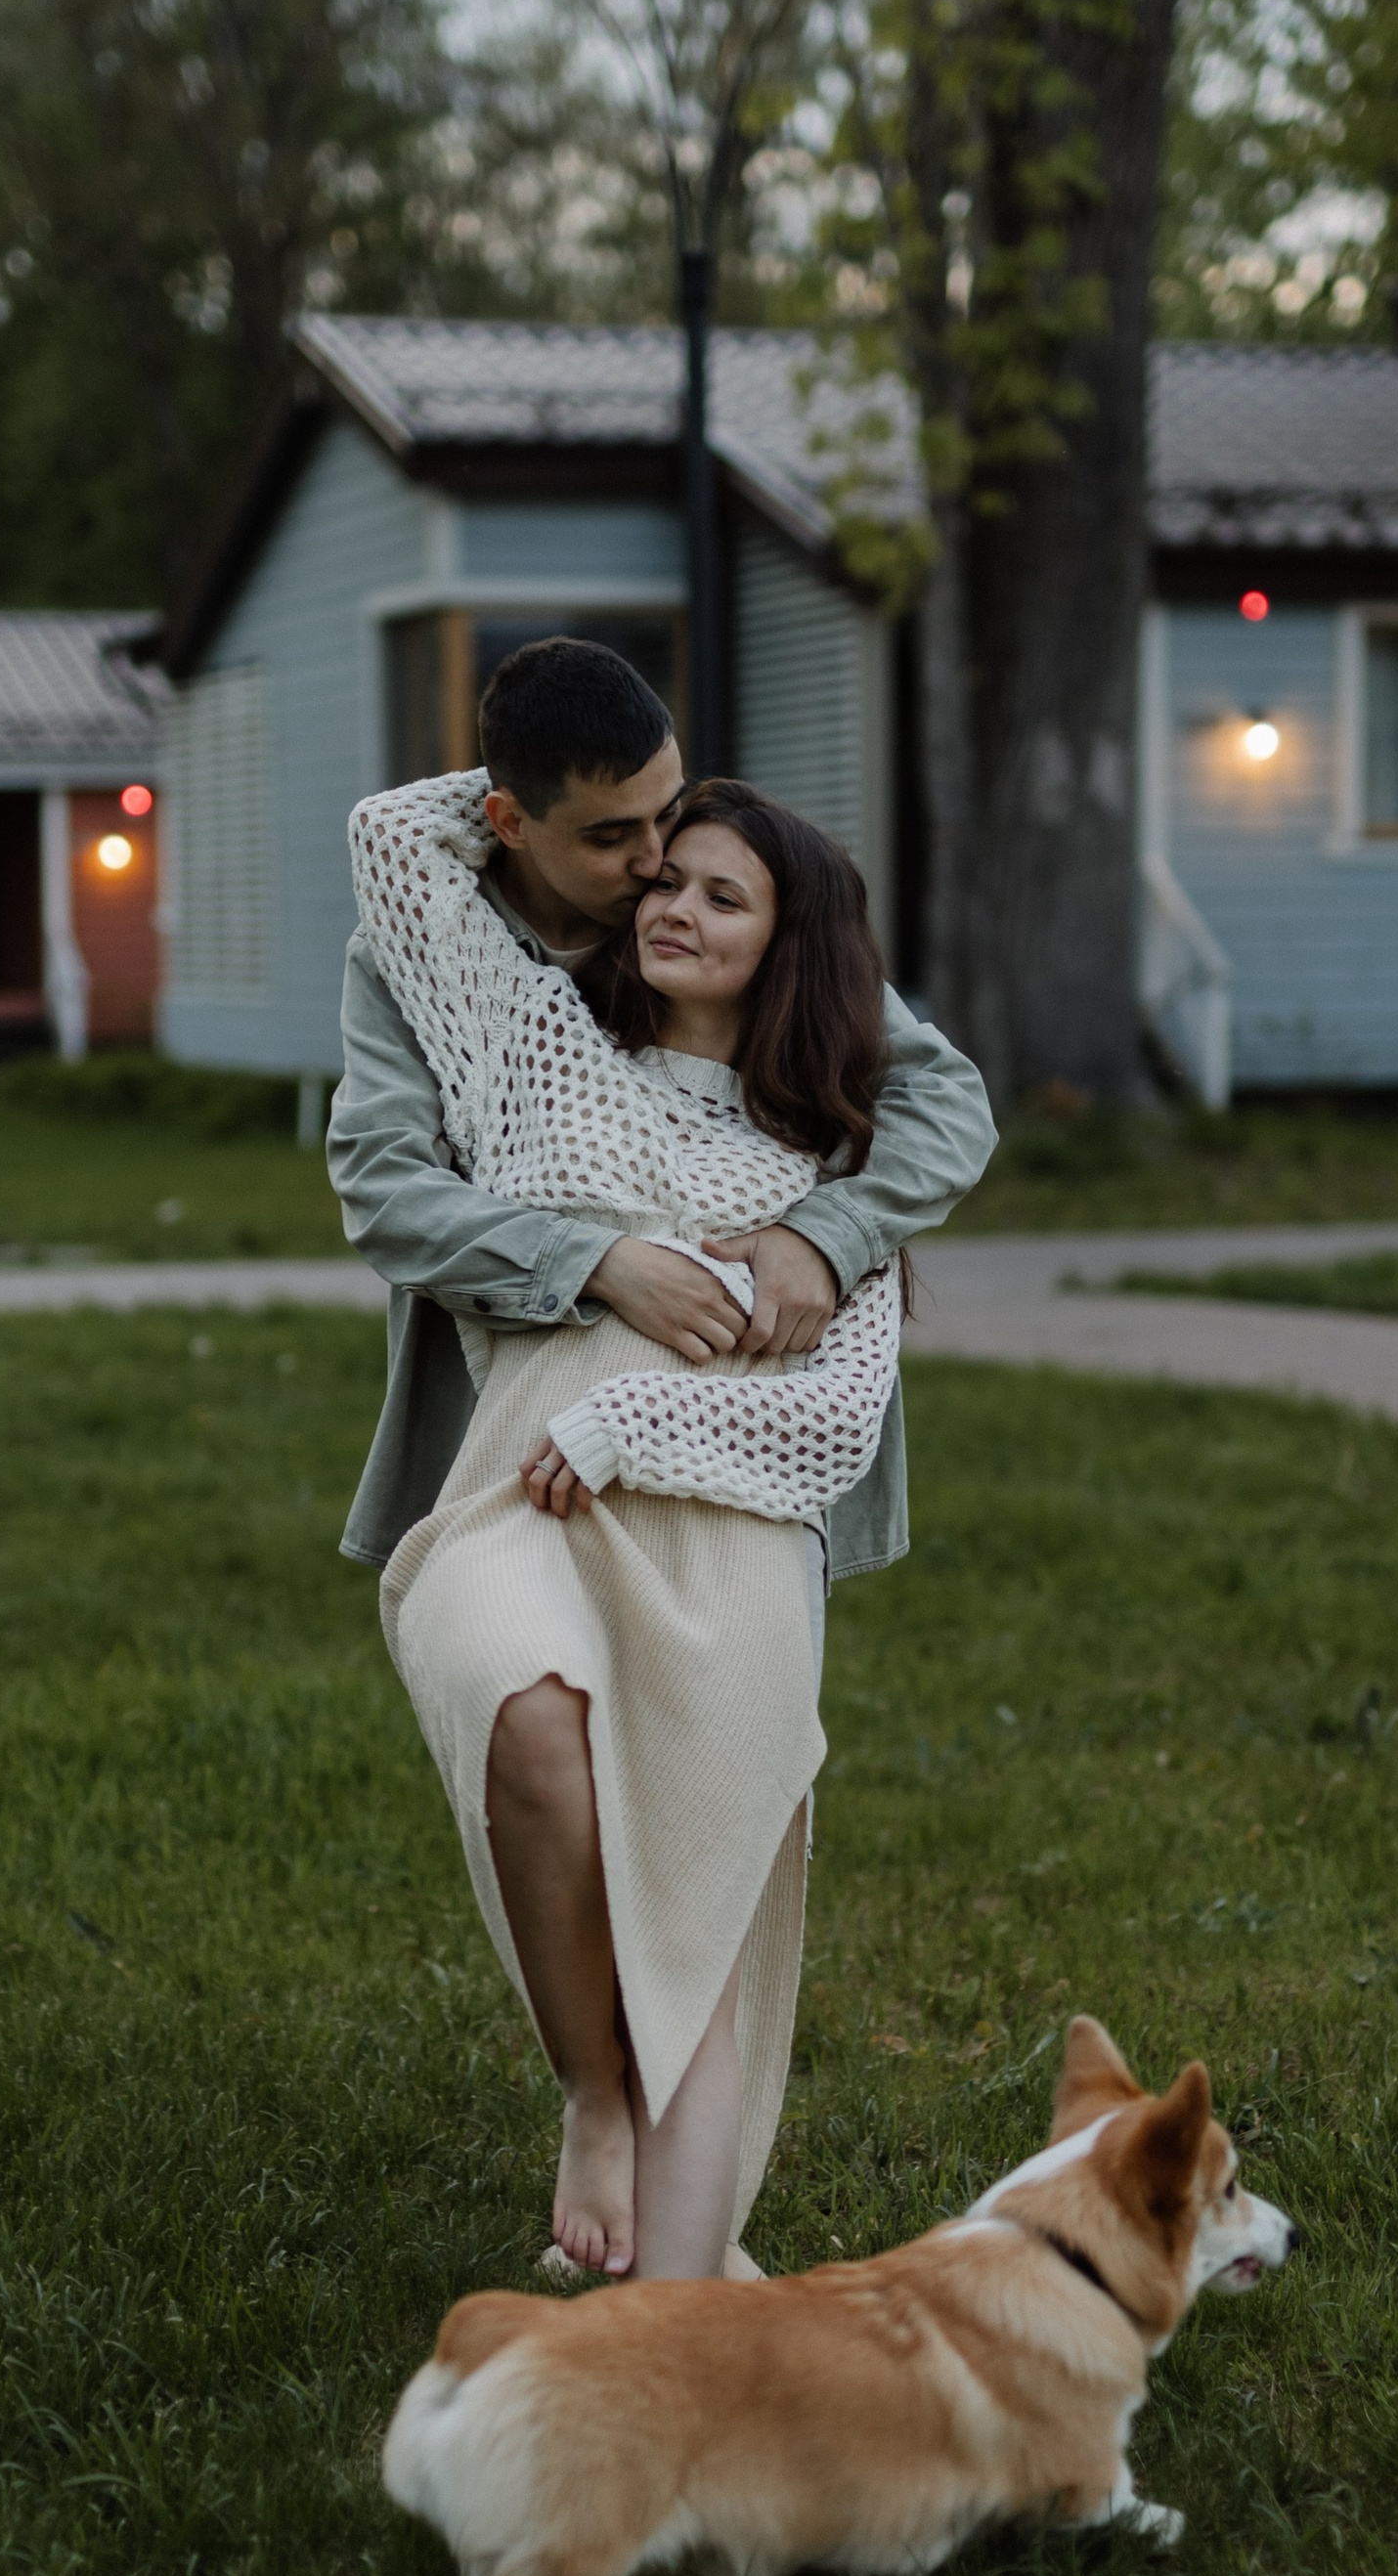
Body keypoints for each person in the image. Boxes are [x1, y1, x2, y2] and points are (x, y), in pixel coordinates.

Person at [328, 638, 995, 2278]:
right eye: (620, 841)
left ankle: (679, 2231)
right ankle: (593, 2088)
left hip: (721, 1476)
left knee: (701, 1813)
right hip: (522, 1447)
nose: (657, 871)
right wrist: (598, 1263)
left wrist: (825, 1241)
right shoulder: (455, 969)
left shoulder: (753, 928)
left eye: (676, 828)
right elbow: (385, 1192)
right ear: (508, 823)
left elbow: (938, 1097)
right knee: (528, 1724)